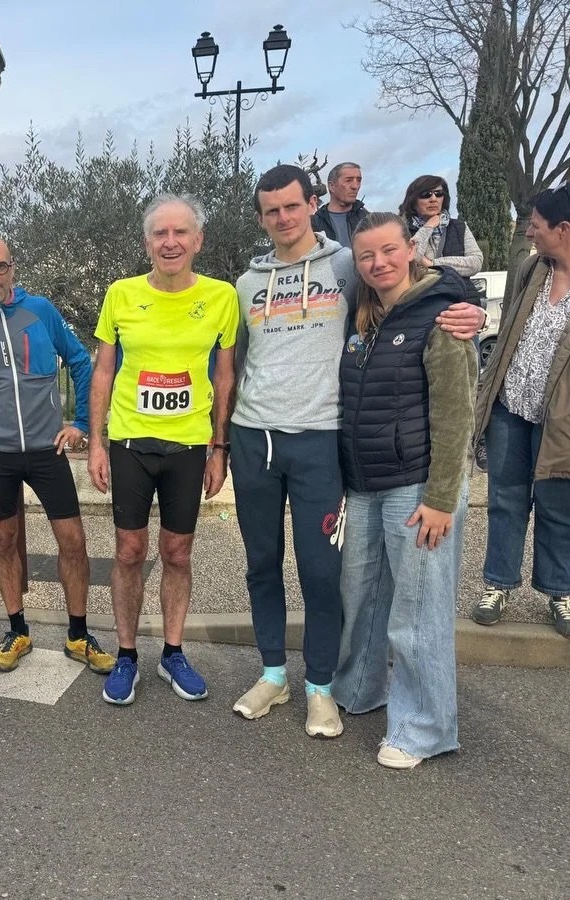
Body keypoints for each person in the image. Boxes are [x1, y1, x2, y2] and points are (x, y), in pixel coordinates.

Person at [333, 212, 477, 770]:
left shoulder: (442, 316)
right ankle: (360, 690)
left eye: (389, 250)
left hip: (418, 485)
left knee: (417, 613)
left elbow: (456, 413)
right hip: (364, 484)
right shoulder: (363, 320)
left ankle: (423, 728)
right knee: (362, 597)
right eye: (367, 256)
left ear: (410, 248)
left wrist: (442, 497)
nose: (379, 263)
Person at [87, 194, 238, 706]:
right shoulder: (122, 295)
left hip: (189, 445)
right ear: (148, 241)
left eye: (180, 233)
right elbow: (103, 370)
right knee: (129, 551)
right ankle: (126, 655)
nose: (169, 242)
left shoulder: (220, 297)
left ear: (198, 241)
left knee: (177, 552)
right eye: (159, 234)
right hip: (130, 441)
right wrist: (96, 443)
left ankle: (173, 652)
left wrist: (220, 447)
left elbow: (224, 374)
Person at [230, 164, 356, 737]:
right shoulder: (246, 283)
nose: (282, 218)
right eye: (271, 210)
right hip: (254, 439)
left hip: (321, 440)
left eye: (291, 206)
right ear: (261, 217)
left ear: (312, 204)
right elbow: (235, 362)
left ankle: (320, 689)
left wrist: (464, 308)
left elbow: (409, 289)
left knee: (321, 572)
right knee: (261, 565)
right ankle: (273, 675)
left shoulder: (346, 266)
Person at [0, 236, 112, 673]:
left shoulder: (40, 311)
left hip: (47, 450)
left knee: (73, 542)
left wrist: (79, 424)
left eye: (0, 266)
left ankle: (78, 634)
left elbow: (81, 362)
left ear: (13, 268)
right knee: (4, 542)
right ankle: (17, 629)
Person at [470, 182, 570, 638]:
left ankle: (559, 591)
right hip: (511, 407)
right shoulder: (531, 268)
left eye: (537, 225)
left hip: (568, 419)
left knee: (561, 506)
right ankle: (498, 584)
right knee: (506, 499)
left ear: (564, 229)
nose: (531, 232)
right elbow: (508, 335)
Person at [399, 176, 484, 298]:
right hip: (424, 301)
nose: (433, 199)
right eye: (426, 194)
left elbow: (476, 262)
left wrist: (433, 263)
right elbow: (412, 259)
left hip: (463, 300)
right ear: (413, 201)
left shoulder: (459, 226)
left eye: (439, 194)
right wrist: (428, 227)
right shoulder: (403, 231)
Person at [311, 162, 367, 250]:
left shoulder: (368, 219)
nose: (355, 186)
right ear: (331, 186)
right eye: (349, 180)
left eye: (358, 180)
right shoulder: (314, 224)